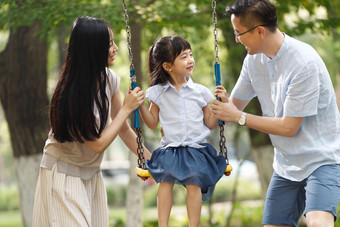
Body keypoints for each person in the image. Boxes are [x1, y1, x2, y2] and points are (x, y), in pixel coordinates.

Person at [210, 0, 340, 226]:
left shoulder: (303, 62)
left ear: (259, 31)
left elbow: (289, 127)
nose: (236, 39)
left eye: (238, 33)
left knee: (319, 223)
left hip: (322, 160)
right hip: (286, 166)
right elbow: (232, 108)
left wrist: (238, 117)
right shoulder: (253, 61)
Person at [32, 16, 151, 227]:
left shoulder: (110, 79)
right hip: (62, 174)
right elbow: (97, 144)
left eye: (114, 42)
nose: (115, 48)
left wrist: (152, 160)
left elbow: (122, 129)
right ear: (92, 49)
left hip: (91, 176)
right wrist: (126, 108)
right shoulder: (73, 93)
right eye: (109, 44)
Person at [139, 36, 227, 227]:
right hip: (171, 149)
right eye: (183, 57)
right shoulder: (158, 92)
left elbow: (210, 123)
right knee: (165, 180)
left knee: (194, 182)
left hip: (196, 149)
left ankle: (193, 225)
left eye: (190, 55)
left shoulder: (200, 92)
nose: (190, 60)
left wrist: (221, 106)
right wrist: (139, 107)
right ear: (168, 66)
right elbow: (152, 122)